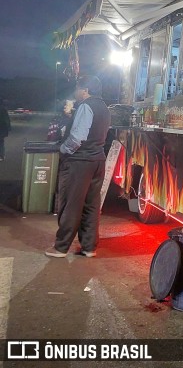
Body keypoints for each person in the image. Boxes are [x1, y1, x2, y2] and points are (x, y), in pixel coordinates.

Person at [45, 76, 111, 258]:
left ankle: (61, 247)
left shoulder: (86, 106)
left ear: (85, 90)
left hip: (80, 162)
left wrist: (63, 149)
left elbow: (78, 137)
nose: (75, 92)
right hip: (97, 161)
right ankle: (89, 247)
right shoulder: (104, 108)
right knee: (91, 205)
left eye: (77, 88)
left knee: (71, 204)